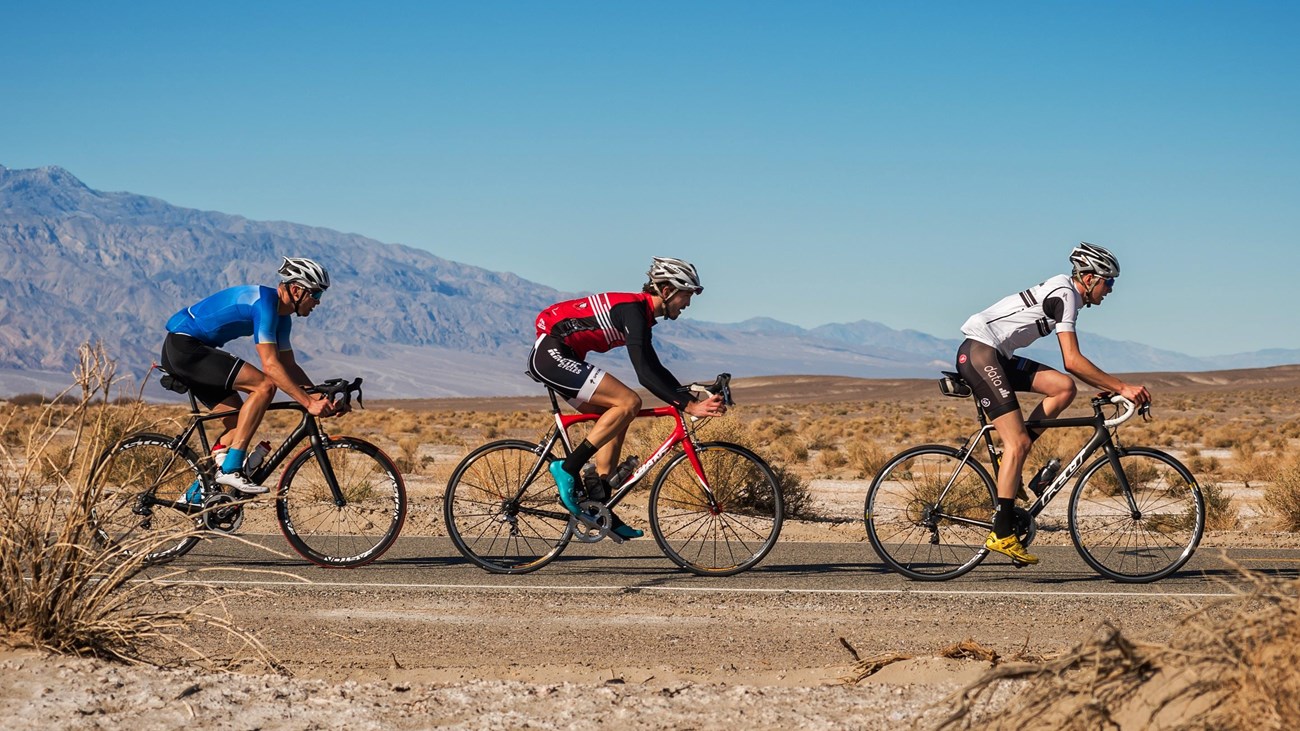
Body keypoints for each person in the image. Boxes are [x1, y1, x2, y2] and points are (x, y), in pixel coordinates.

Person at [955, 242, 1151, 564]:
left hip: (996, 356)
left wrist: (1108, 387)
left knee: (1062, 388)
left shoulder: (1067, 295)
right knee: (1017, 442)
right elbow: (1072, 359)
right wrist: (1121, 386)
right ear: (1088, 278)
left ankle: (1012, 459)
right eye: (1109, 282)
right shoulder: (1065, 295)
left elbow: (1069, 372)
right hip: (980, 353)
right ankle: (1002, 533)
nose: (1111, 290)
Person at [528, 257, 727, 539]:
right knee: (629, 402)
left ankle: (598, 505)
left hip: (564, 356)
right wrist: (690, 405)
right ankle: (567, 468)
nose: (688, 304)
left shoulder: (641, 316)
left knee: (618, 415)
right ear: (668, 290)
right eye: (686, 295)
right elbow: (645, 374)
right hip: (552, 354)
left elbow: (655, 368)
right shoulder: (633, 310)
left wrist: (690, 393)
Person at [160, 257, 339, 495]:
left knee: (237, 425)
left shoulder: (282, 319)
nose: (318, 302)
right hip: (185, 346)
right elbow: (272, 367)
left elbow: (289, 366)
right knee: (264, 387)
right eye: (316, 295)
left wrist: (318, 396)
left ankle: (195, 497)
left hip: (194, 350)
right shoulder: (265, 305)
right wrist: (307, 403)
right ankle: (232, 468)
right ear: (296, 290)